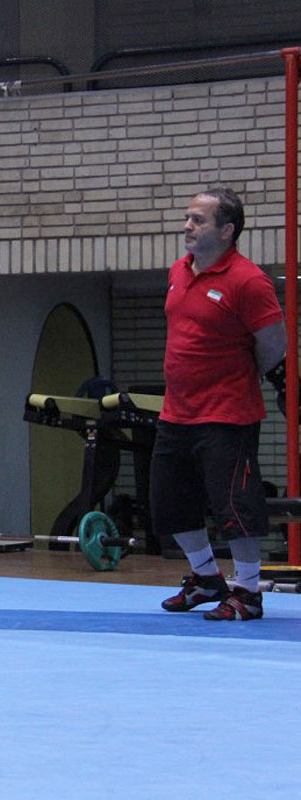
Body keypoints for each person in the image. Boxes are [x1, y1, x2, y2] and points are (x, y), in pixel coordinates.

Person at [155, 187, 286, 621]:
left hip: (227, 414)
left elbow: (274, 346)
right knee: (170, 504)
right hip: (177, 412)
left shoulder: (248, 281)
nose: (187, 226)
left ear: (227, 230)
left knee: (236, 509)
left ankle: (248, 592)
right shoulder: (178, 270)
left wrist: (235, 375)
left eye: (198, 219)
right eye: (187, 217)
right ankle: (207, 579)